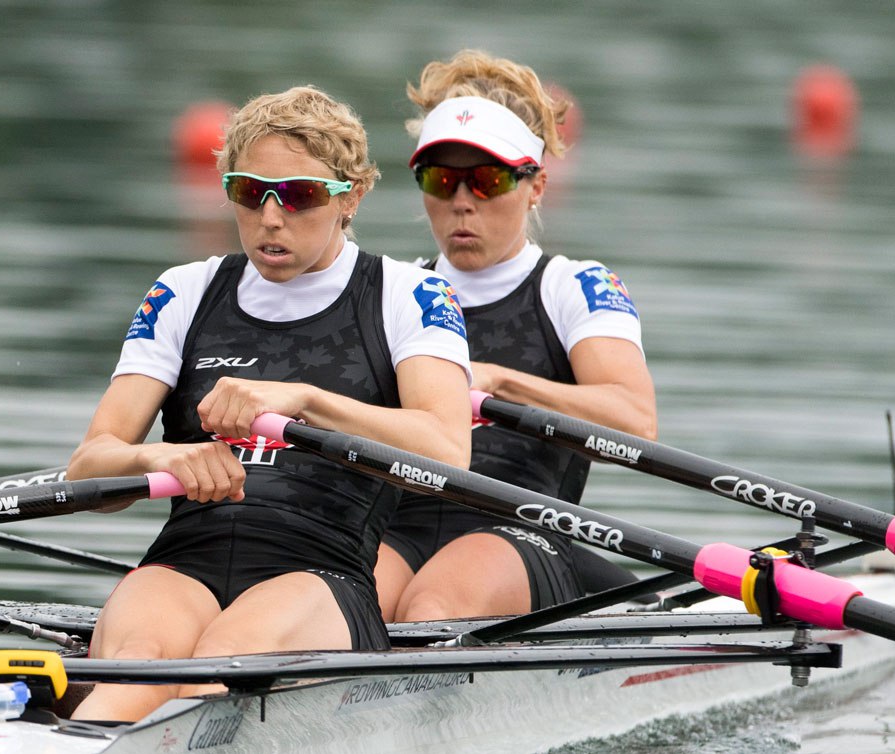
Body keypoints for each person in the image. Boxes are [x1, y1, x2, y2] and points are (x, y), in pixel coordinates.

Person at [68, 85, 472, 722]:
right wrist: (165, 456)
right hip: (182, 564)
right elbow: (89, 467)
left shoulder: (409, 295)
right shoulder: (184, 292)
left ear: (352, 197)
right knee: (134, 677)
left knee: (216, 677)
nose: (271, 217)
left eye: (301, 195)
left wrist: (307, 401)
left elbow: (450, 454)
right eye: (251, 192)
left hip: (321, 576)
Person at [376, 50, 658, 623]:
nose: (461, 201)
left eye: (486, 180)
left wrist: (502, 382)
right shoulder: (393, 290)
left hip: (519, 530)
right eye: (441, 179)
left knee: (430, 608)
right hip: (398, 526)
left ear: (535, 185)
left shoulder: (572, 287)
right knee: (344, 603)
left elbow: (636, 422)